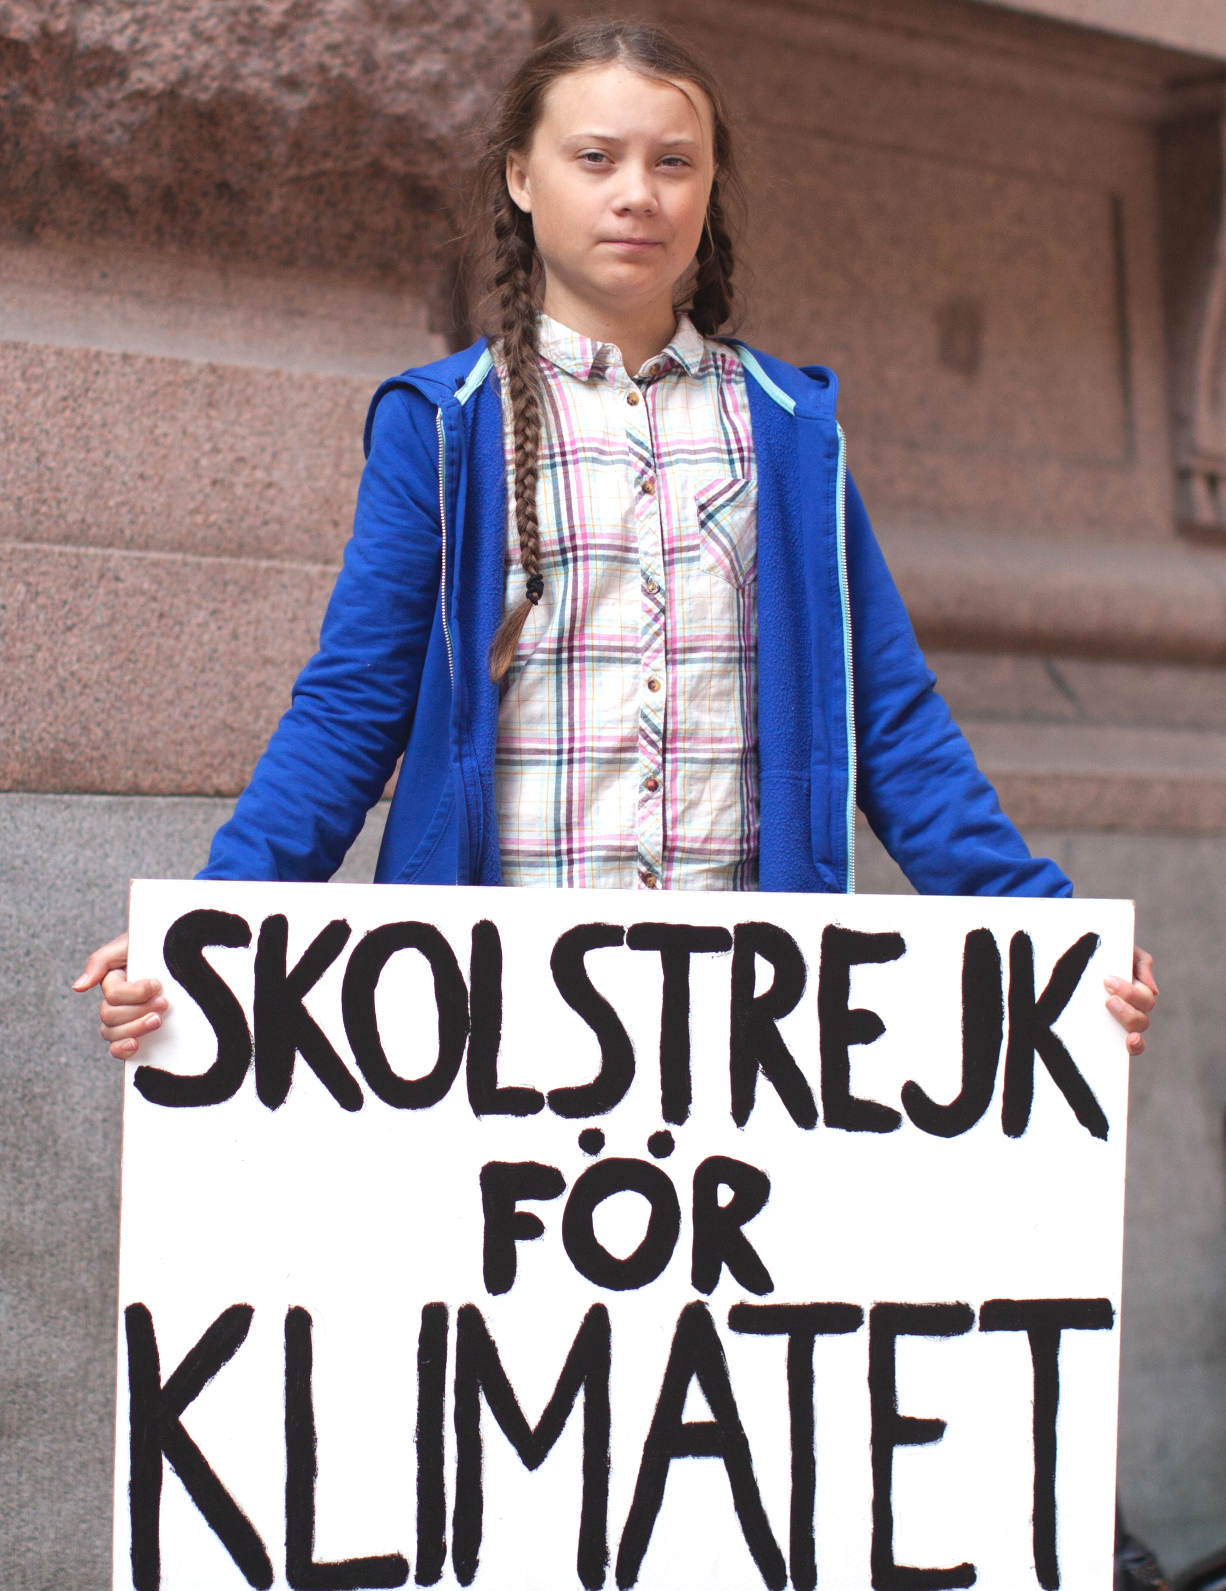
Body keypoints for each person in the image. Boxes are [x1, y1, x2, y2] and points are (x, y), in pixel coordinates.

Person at [74, 19, 1157, 1055]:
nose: (636, 194)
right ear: (520, 176)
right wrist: (205, 931)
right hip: (486, 1005)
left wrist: (1052, 937)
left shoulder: (784, 433)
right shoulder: (446, 427)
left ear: (707, 189)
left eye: (673, 163)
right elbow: (351, 709)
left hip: (744, 1011)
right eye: (594, 157)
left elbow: (893, 724)